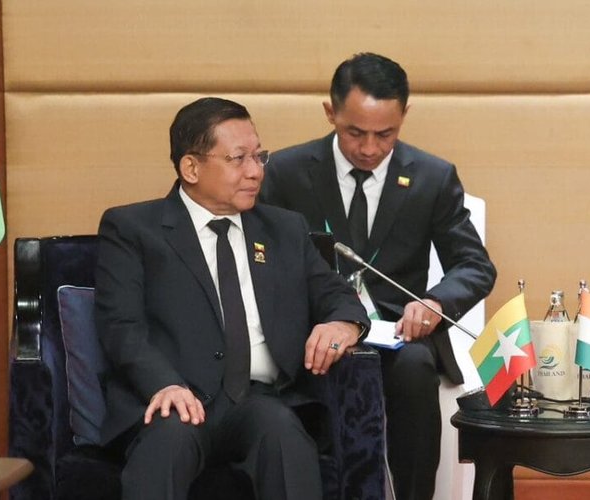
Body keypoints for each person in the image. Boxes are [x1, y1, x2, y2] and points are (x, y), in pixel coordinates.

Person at [94, 97, 368, 500]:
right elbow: (121, 326)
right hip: (176, 396)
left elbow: (336, 294)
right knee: (168, 442)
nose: (255, 171)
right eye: (238, 159)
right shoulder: (133, 229)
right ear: (191, 167)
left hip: (259, 399)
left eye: (259, 156)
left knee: (285, 436)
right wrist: (164, 384)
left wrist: (343, 322)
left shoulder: (284, 229)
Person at [260, 52, 496, 500]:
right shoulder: (287, 173)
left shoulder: (432, 177)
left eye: (385, 134)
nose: (369, 148)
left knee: (415, 367)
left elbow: (475, 264)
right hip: (316, 331)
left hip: (397, 335)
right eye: (355, 132)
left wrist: (437, 302)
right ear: (330, 112)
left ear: (404, 116)